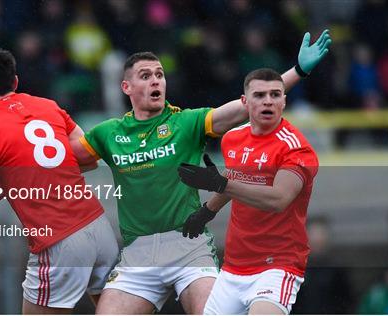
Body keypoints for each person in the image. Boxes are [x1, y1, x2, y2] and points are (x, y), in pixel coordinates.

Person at [71, 30, 331, 314]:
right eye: (146, 76)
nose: (156, 80)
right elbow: (63, 159)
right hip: (138, 253)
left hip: (189, 248)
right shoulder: (108, 134)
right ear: (126, 87)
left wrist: (298, 71)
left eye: (160, 74)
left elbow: (249, 103)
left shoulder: (187, 122)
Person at [0, 49, 119, 314]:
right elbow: (88, 158)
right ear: (15, 82)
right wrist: (11, 178)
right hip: (100, 230)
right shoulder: (48, 106)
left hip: (58, 241)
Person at [177, 68, 319, 314]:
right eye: (260, 95)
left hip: (277, 266)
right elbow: (236, 177)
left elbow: (278, 199)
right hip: (234, 266)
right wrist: (207, 211)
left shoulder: (296, 149)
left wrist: (219, 183)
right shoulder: (232, 138)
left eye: (275, 94)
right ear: (245, 102)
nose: (268, 101)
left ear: (284, 101)